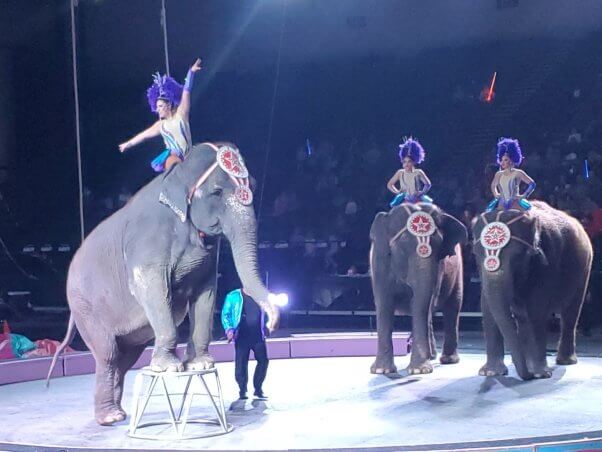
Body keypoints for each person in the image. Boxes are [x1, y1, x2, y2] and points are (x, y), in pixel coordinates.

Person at [119, 58, 202, 172]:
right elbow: (144, 135)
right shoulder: (160, 125)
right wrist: (127, 144)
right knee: (171, 163)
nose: (158, 109)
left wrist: (191, 73)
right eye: (157, 107)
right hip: (174, 158)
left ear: (168, 105)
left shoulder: (181, 114)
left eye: (161, 106)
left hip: (189, 156)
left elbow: (186, 91)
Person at [221, 288, 269, 400]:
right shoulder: (233, 296)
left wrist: (265, 325)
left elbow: (266, 312)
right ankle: (242, 389)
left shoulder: (260, 295)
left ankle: (258, 388)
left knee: (263, 361)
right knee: (241, 364)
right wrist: (229, 329)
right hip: (242, 336)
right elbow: (226, 314)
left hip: (257, 335)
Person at [487, 137, 536, 211]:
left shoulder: (518, 173)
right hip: (501, 203)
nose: (502, 162)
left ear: (511, 161)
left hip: (515, 203)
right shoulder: (498, 174)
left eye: (505, 160)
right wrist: (496, 195)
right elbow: (493, 185)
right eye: (502, 160)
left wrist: (523, 196)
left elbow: (532, 184)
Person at [387, 137, 432, 208]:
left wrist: (422, 193)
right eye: (404, 162)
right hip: (404, 199)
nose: (406, 164)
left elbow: (428, 184)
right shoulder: (400, 172)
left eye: (409, 161)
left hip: (417, 199)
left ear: (413, 162)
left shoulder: (418, 172)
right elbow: (390, 184)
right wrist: (398, 192)